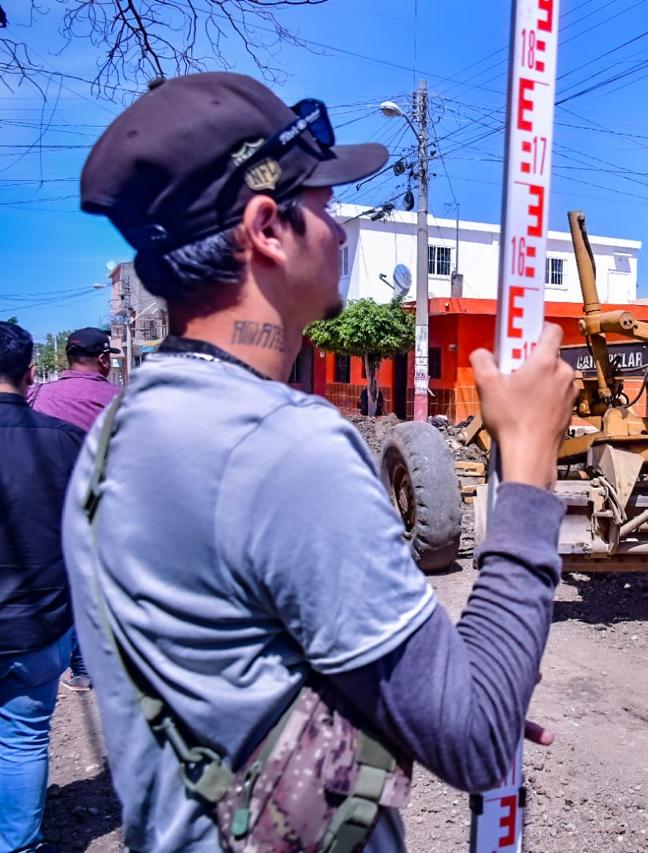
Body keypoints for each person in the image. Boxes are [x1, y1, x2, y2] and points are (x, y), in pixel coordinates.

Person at [65, 72, 576, 850]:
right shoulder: (284, 446)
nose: (339, 232)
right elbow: (476, 742)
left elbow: (234, 663)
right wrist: (532, 466)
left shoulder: (115, 440)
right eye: (327, 206)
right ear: (269, 227)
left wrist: (437, 688)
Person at [0, 320, 85, 852]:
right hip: (41, 624)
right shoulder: (67, 443)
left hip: (42, 620)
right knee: (23, 740)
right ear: (31, 374)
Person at [28, 326, 121, 692]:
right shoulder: (120, 399)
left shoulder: (38, 395)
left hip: (46, 507)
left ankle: (65, 663)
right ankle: (86, 667)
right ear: (102, 359)